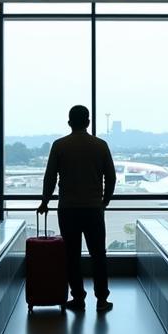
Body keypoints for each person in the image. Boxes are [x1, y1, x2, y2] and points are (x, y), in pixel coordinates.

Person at [39, 105, 116, 311]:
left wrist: (45, 201)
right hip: (93, 208)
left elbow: (50, 177)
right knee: (98, 254)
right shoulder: (100, 145)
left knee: (71, 255)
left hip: (68, 209)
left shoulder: (60, 145)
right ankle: (101, 299)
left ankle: (78, 298)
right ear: (88, 122)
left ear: (69, 122)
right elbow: (111, 177)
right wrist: (105, 201)